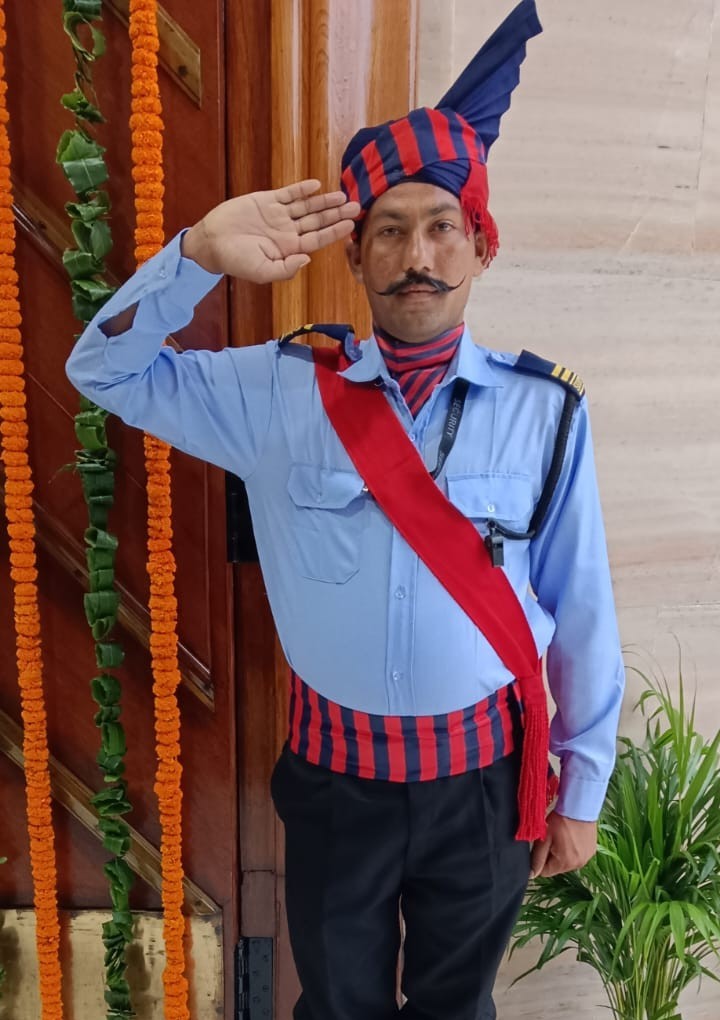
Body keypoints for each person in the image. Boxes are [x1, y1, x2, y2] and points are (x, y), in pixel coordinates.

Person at [66, 2, 625, 1017]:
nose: (418, 254)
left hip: (486, 785)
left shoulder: (545, 412)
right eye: (390, 230)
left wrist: (579, 793)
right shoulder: (277, 391)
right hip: (336, 783)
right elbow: (102, 370)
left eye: (443, 226)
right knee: (335, 1005)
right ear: (356, 254)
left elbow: (580, 611)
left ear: (480, 247)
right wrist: (196, 253)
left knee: (459, 1007)